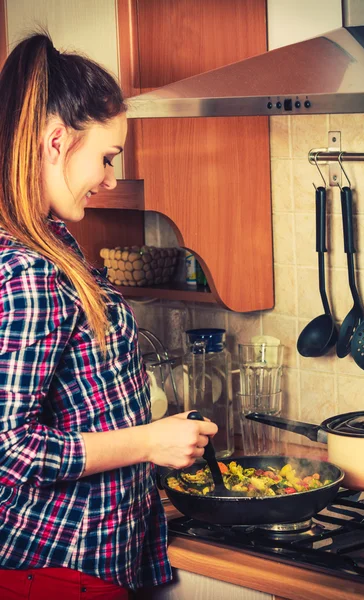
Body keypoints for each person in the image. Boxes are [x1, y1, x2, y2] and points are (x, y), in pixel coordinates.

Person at [0, 33, 217, 599]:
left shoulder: (51, 242)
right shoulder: (28, 271)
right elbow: (10, 450)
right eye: (106, 157)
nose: (111, 179)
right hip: (49, 569)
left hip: (83, 562)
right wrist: (148, 442)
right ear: (55, 142)